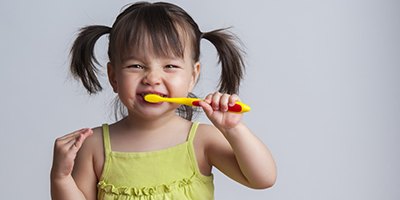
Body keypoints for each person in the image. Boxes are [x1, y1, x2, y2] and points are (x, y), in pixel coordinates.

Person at [50, 2, 276, 200]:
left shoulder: (201, 140)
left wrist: (234, 129)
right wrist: (61, 177)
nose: (152, 79)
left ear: (192, 76)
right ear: (113, 77)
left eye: (170, 66)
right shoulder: (94, 146)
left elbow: (262, 179)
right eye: (136, 66)